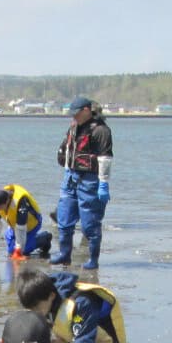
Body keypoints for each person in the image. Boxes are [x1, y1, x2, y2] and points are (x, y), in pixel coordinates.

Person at [54, 97, 113, 269]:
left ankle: (93, 260)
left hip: (91, 180)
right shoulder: (74, 127)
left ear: (87, 110)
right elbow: (67, 150)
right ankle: (65, 255)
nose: (74, 117)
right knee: (64, 221)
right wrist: (66, 170)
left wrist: (103, 183)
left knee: (90, 225)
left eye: (77, 113)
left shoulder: (101, 130)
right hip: (71, 178)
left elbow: (105, 159)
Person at [16, 268, 127, 343]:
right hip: (72, 341)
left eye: (37, 308)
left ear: (52, 296)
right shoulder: (45, 304)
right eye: (30, 309)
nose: (35, 313)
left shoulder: (81, 303)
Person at [0, 184, 51, 259]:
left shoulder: (20, 202)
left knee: (23, 250)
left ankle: (45, 238)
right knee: (11, 250)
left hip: (32, 224)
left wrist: (18, 251)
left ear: (7, 201)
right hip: (14, 224)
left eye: (0, 207)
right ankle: (19, 240)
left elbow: (21, 228)